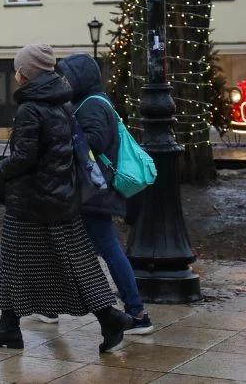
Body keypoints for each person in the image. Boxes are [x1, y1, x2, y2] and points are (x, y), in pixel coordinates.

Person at [0, 44, 131, 354]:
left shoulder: (30, 108)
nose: (15, 73)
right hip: (60, 198)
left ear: (26, 75)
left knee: (14, 264)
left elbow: (24, 158)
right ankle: (109, 316)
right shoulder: (62, 103)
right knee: (76, 262)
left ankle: (10, 328)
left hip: (30, 202)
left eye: (18, 68)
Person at [48, 53, 153, 334]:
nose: (64, 80)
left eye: (68, 75)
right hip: (93, 190)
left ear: (81, 78)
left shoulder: (93, 105)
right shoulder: (88, 102)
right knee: (80, 250)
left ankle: (137, 312)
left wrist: (65, 132)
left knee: (107, 250)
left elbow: (92, 143)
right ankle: (50, 306)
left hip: (95, 192)